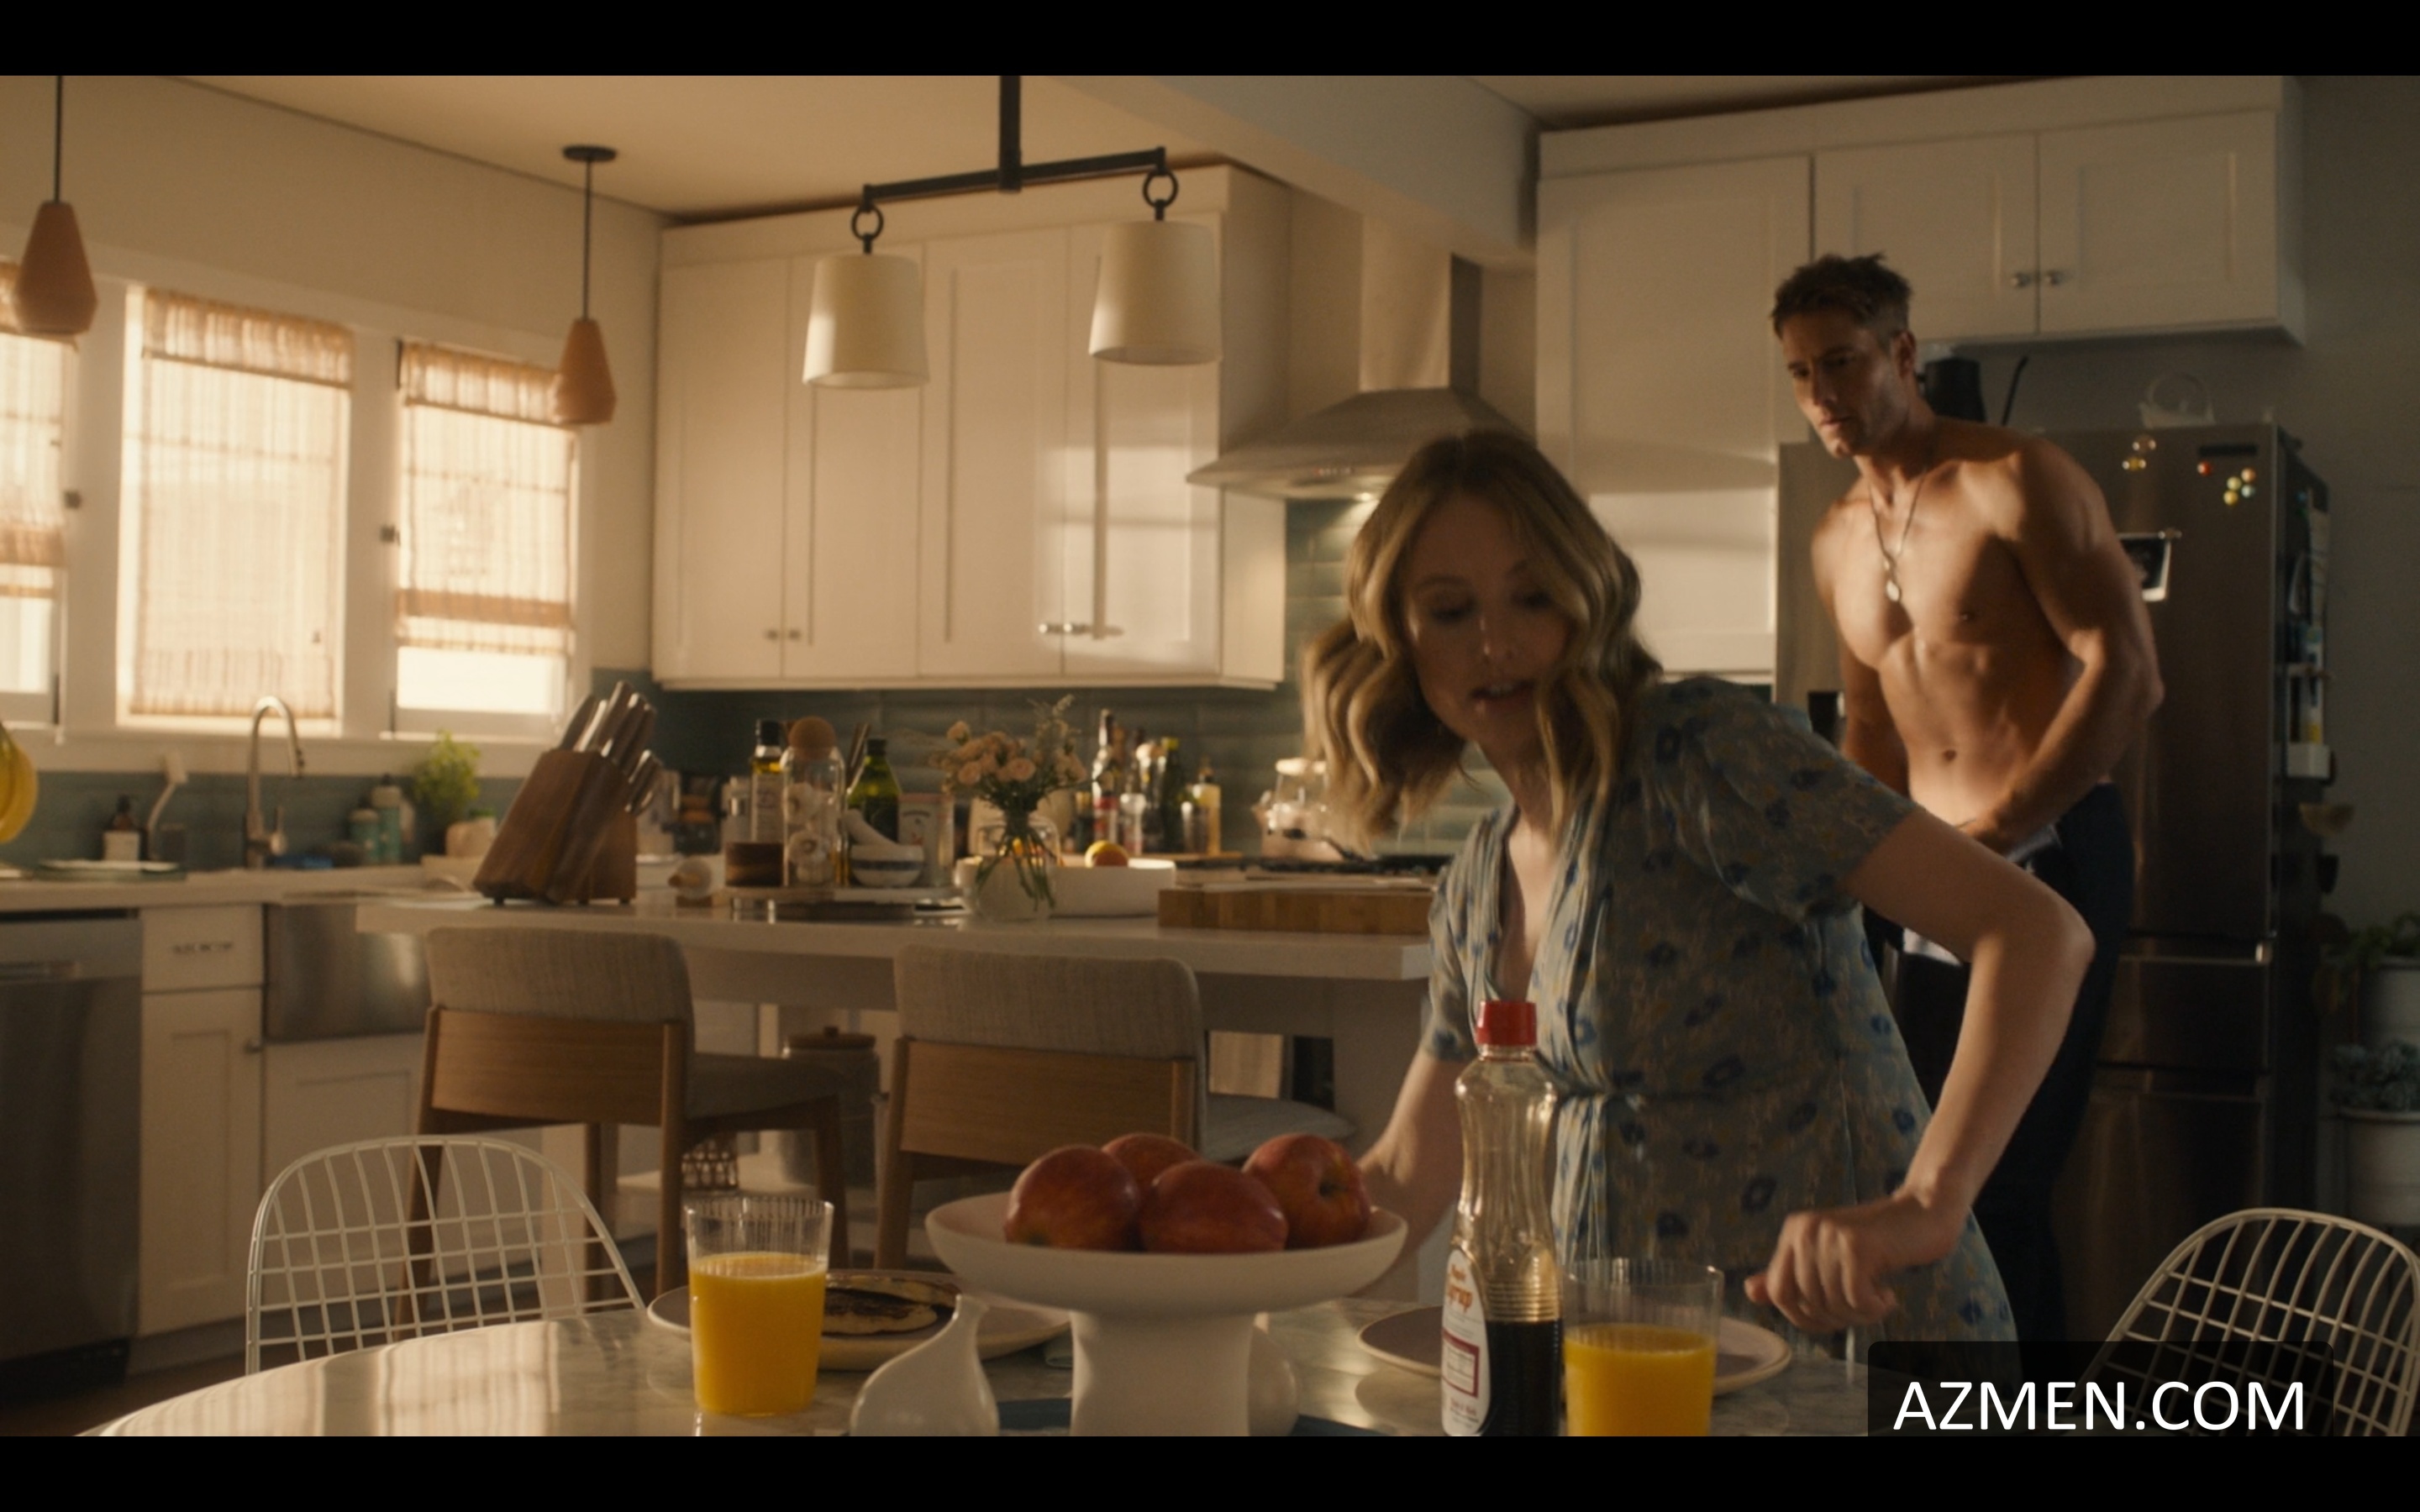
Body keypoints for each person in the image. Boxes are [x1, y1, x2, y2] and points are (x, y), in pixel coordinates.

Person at [1323, 430, 2093, 1341]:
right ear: (1401, 643)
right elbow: (1412, 1171)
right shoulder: (1475, 883)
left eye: (1532, 597)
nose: (1496, 643)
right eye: (1451, 612)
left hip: (1853, 1348)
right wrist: (1240, 1234)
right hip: (1642, 1372)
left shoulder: (1702, 756)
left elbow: (2036, 931)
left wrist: (1930, 1200)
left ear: (1585, 597)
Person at [1773, 254, 2163, 1341]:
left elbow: (2129, 672)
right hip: (1931, 877)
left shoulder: (2014, 479)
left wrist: (1992, 834)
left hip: (2046, 857)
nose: (1822, 394)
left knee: (2002, 1188)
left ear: (1903, 353)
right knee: (1924, 1176)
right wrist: (1855, 874)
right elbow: (1867, 725)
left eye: (1842, 362)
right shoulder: (1837, 535)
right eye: (1801, 374)